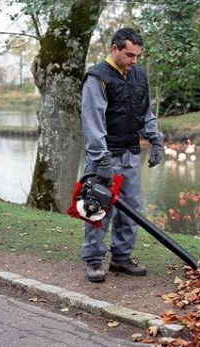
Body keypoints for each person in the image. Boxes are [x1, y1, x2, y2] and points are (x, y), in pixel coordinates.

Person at [80, 27, 164, 283]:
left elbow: (145, 112)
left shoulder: (138, 74)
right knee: (97, 208)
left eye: (137, 55)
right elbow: (92, 121)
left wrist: (155, 139)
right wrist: (101, 159)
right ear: (114, 49)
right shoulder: (97, 77)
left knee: (131, 210)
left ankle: (121, 257)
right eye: (129, 55)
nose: (134, 60)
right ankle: (94, 261)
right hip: (104, 156)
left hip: (130, 153)